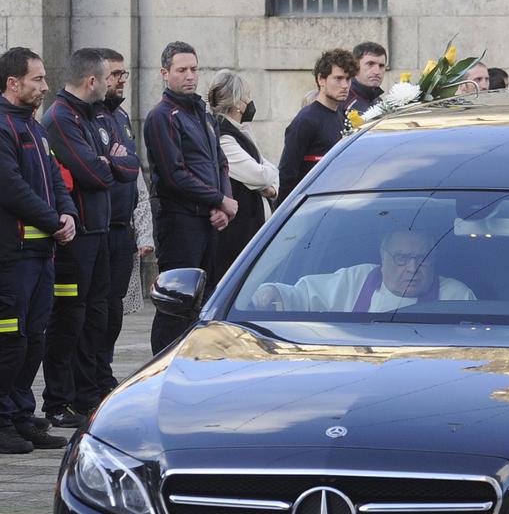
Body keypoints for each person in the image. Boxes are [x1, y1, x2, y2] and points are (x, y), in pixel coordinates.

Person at [0, 47, 76, 454]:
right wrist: (53, 221)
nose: (45, 86)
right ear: (13, 83)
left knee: (34, 339)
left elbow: (55, 179)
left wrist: (66, 215)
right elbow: (12, 189)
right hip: (10, 256)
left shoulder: (33, 127)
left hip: (40, 254)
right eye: (38, 79)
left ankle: (21, 415)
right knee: (9, 340)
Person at [42, 49, 130, 429]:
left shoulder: (96, 115)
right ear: (92, 81)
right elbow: (94, 172)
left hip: (101, 230)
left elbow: (128, 165)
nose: (113, 85)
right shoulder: (61, 116)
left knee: (98, 316)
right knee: (69, 320)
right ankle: (59, 400)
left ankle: (90, 391)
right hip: (76, 237)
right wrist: (108, 162)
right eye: (108, 79)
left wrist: (109, 162)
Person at [144, 41, 231, 352]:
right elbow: (174, 174)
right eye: (182, 70)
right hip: (179, 223)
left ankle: (196, 360)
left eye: (194, 69)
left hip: (208, 220)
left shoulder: (202, 113)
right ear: (165, 73)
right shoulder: (162, 116)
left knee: (207, 298)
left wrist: (223, 201)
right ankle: (163, 363)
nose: (190, 76)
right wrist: (218, 200)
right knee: (176, 302)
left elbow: (219, 160)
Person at [88, 49, 145, 412]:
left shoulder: (120, 116)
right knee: (95, 311)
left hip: (123, 227)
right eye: (115, 75)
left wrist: (120, 160)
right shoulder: (89, 118)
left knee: (114, 310)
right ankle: (89, 378)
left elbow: (132, 163)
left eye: (124, 74)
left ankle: (103, 371)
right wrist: (117, 161)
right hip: (98, 228)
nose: (121, 80)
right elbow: (100, 167)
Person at [249, 224, 477, 314]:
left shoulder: (457, 295)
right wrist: (270, 293)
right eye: (402, 258)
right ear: (383, 257)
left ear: (435, 259)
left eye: (423, 258)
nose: (412, 268)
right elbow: (300, 296)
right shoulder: (355, 280)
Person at [206, 70, 278, 288]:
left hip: (251, 230)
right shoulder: (225, 136)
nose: (250, 102)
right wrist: (269, 181)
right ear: (237, 102)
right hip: (237, 236)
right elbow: (261, 175)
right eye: (247, 96)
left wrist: (271, 184)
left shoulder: (242, 130)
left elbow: (271, 170)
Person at [279, 48, 355, 199]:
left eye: (348, 79)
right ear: (321, 79)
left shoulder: (342, 115)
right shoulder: (306, 120)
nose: (345, 85)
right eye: (338, 79)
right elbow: (287, 174)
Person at [346, 41, 388, 115]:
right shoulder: (343, 101)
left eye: (381, 66)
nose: (377, 72)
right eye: (370, 64)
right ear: (355, 66)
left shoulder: (378, 101)